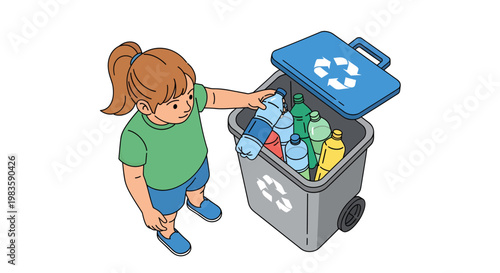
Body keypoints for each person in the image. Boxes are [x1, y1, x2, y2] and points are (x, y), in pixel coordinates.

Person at [101, 42, 275, 256]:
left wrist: (247, 99)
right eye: (175, 104)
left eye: (190, 96)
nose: (186, 106)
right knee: (167, 213)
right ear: (145, 107)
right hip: (164, 186)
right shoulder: (134, 135)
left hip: (197, 165)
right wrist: (147, 210)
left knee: (199, 186)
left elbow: (213, 97)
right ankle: (167, 232)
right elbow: (134, 177)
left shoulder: (187, 101)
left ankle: (197, 202)